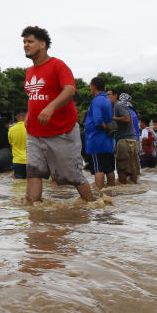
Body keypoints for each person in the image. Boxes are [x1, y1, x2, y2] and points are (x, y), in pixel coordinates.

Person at [20, 25, 95, 202]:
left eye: (30, 41)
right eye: (24, 42)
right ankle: (34, 218)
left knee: (73, 176)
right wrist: (29, 116)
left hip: (61, 132)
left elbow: (69, 90)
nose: (25, 45)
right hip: (34, 133)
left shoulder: (57, 65)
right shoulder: (30, 71)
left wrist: (51, 107)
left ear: (43, 44)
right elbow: (33, 97)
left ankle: (94, 208)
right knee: (33, 172)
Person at [84, 78, 116, 189]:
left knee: (99, 169)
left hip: (96, 141)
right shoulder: (107, 100)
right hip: (107, 142)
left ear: (93, 86)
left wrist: (106, 128)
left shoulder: (96, 101)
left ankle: (100, 195)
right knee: (109, 169)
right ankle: (111, 193)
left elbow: (98, 120)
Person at [110, 91, 140, 184]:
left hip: (125, 140)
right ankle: (132, 193)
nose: (106, 97)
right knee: (133, 168)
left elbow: (127, 119)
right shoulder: (131, 111)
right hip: (132, 140)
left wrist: (112, 118)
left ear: (115, 96)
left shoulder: (119, 105)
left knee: (122, 168)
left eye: (108, 95)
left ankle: (125, 193)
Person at [8, 108, 28, 179]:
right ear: (27, 116)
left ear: (16, 117)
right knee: (32, 184)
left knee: (18, 186)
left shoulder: (11, 129)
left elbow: (11, 145)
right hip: (31, 161)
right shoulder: (31, 127)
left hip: (17, 161)